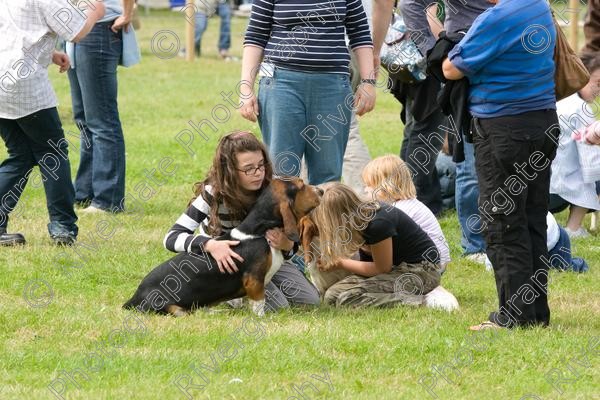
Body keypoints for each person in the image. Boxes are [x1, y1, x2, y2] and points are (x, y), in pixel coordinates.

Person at [443, 0, 558, 329]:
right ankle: (536, 313)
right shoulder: (538, 5)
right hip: (542, 123)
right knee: (532, 218)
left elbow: (451, 68)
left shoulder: (496, 18)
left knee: (503, 223)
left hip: (504, 129)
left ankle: (513, 316)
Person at [163, 131, 319, 311]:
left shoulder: (273, 190)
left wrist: (287, 245)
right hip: (228, 265)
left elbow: (291, 239)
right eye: (248, 168)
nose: (258, 173)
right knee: (278, 307)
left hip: (268, 261)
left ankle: (244, 294)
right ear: (229, 170)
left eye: (261, 165)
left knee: (309, 300)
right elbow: (171, 237)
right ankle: (230, 296)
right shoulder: (212, 194)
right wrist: (210, 245)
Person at [386, 0, 492, 262]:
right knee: (464, 160)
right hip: (461, 67)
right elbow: (411, 4)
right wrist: (434, 52)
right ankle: (474, 244)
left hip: (500, 63)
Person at [0, 0, 105, 246]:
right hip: (24, 86)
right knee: (53, 154)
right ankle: (63, 227)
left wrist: (49, 53)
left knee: (22, 155)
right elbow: (77, 31)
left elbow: (15, 31)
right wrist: (94, 11)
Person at [239, 0, 376, 185]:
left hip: (332, 87)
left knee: (328, 176)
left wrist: (368, 82)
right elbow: (256, 35)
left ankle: (322, 214)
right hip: (281, 84)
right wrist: (246, 88)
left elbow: (360, 32)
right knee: (282, 173)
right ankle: (283, 214)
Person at [309, 183, 443, 307]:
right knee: (332, 296)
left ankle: (424, 301)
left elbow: (382, 268)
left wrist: (340, 263)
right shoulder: (360, 218)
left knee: (347, 298)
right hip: (397, 270)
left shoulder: (377, 223)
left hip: (421, 272)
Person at [67, 0, 136, 213]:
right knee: (84, 119)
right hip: (78, 29)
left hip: (98, 28)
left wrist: (127, 13)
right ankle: (85, 192)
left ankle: (108, 199)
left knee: (101, 119)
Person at [362, 155, 450, 270]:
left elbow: (383, 246)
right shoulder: (407, 204)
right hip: (432, 261)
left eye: (369, 186)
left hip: (428, 266)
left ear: (385, 186)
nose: (365, 190)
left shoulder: (399, 211)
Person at [550, 52, 600, 238]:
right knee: (592, 172)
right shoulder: (581, 109)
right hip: (558, 190)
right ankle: (573, 228)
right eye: (597, 83)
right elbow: (591, 161)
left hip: (537, 186)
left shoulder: (559, 98)